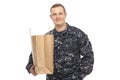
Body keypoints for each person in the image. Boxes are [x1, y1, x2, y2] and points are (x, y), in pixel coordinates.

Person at [26, 3, 94, 80]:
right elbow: (35, 55)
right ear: (51, 17)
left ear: (65, 15)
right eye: (54, 14)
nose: (57, 17)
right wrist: (31, 68)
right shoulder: (47, 37)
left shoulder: (77, 34)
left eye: (60, 13)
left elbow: (88, 56)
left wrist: (79, 76)